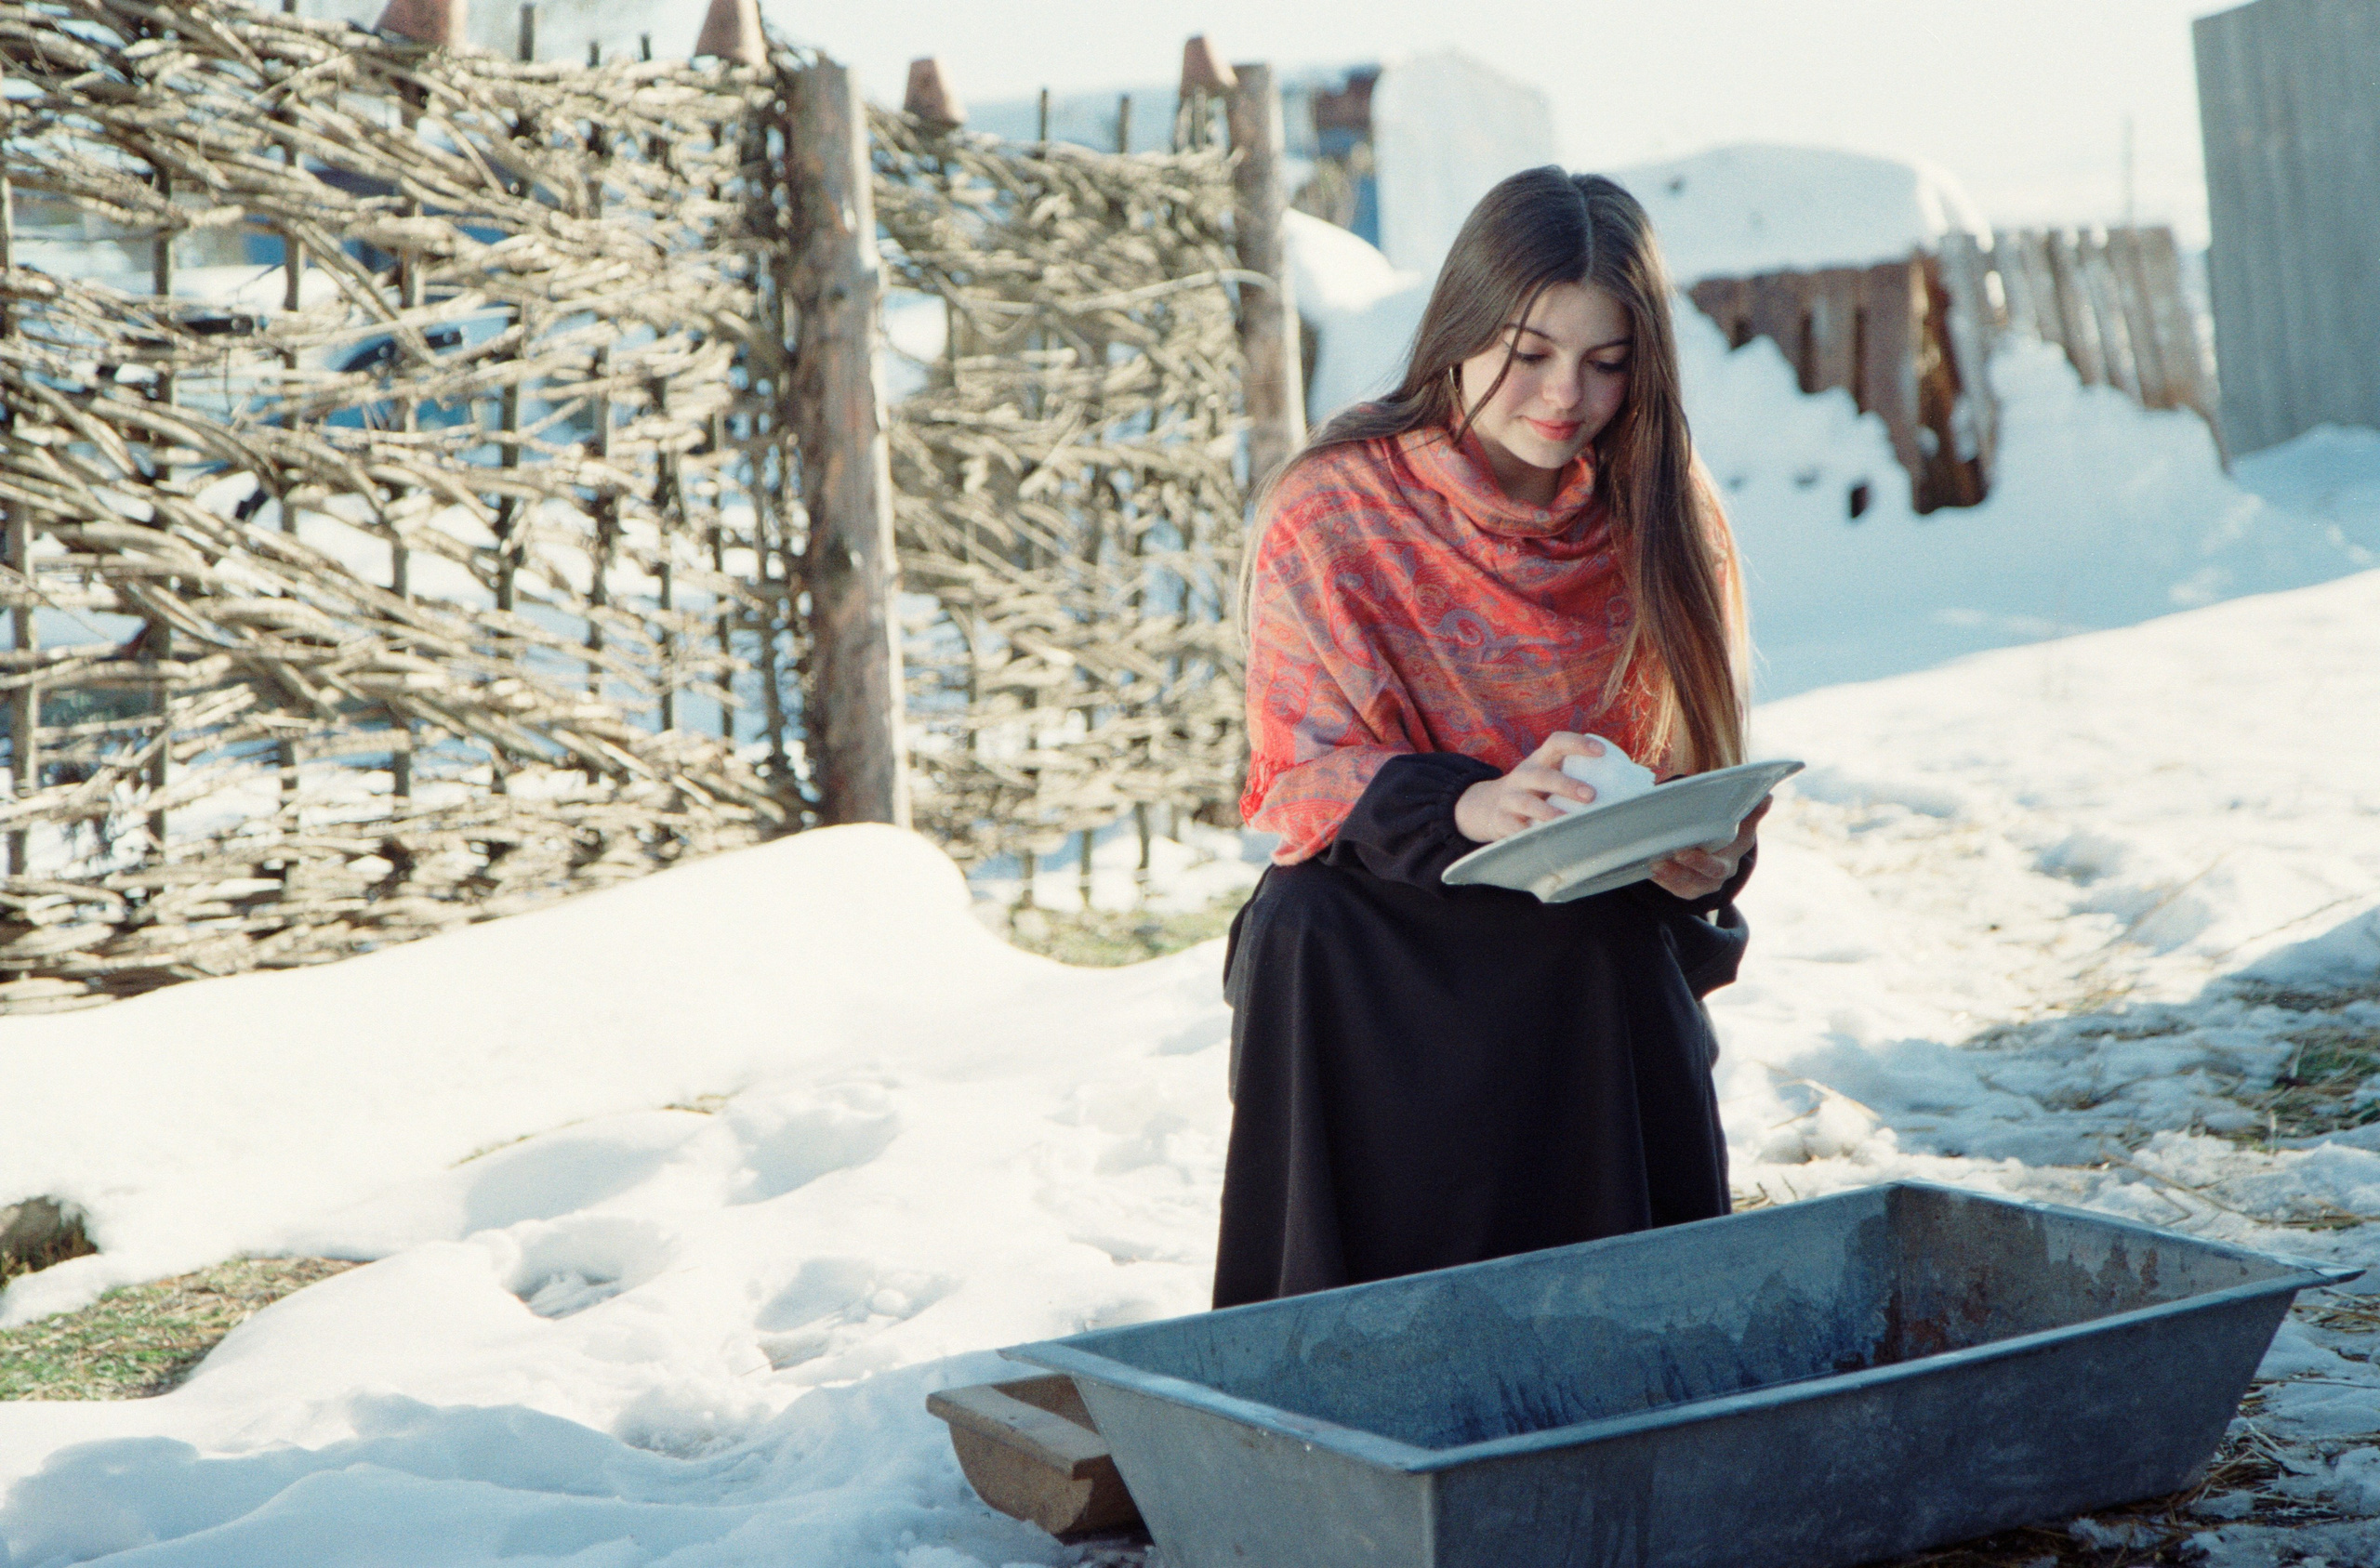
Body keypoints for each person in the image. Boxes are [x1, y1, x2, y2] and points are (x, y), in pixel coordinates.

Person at [1213, 166, 1767, 1310]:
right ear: (1459, 329)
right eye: (1527, 351)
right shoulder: (1335, 505)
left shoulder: (1664, 511)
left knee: (1596, 949)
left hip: (1589, 924)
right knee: (1306, 922)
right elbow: (1298, 776)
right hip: (1379, 918)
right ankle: (1344, 1394)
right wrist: (1469, 804)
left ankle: (1618, 1392)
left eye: (1605, 361)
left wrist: (1702, 856)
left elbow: (1694, 769)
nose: (1564, 394)